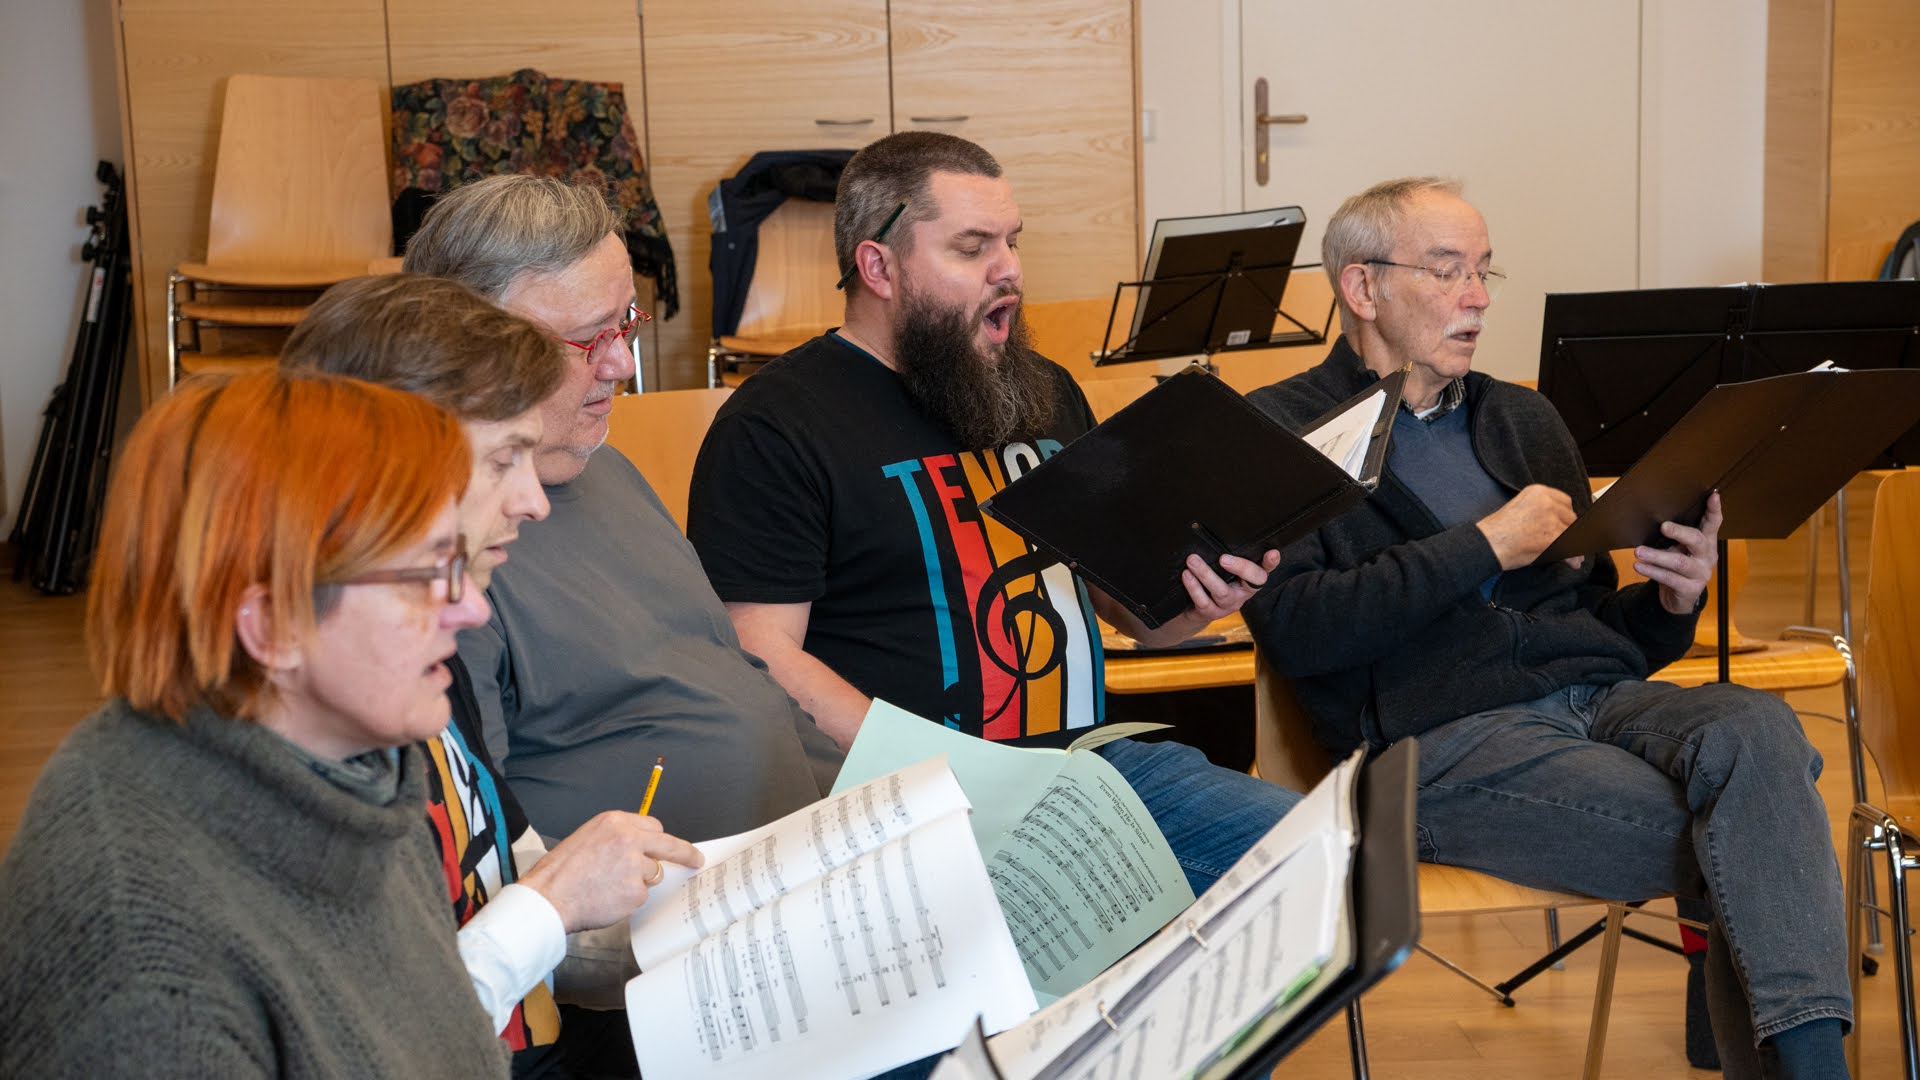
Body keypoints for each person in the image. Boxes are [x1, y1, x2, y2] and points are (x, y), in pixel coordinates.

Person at [1241, 177, 1850, 1078]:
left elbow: (1599, 624)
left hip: (1597, 700)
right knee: (1758, 825)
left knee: (1760, 729)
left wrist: (1671, 602)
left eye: (1484, 271)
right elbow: (1301, 630)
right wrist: (1485, 544)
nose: (1478, 297)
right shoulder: (1278, 431)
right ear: (1362, 288)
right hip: (1434, 741)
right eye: (1446, 271)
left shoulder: (1522, 418)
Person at [684, 131, 1300, 896]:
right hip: (919, 806)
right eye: (973, 247)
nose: (1009, 269)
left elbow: (1128, 613)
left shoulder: (1044, 389)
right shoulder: (777, 425)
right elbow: (759, 651)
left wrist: (1198, 599)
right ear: (878, 267)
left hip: (1087, 770)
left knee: (1326, 851)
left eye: (1012, 241)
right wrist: (931, 775)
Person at [0, 371, 506, 1075]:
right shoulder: (147, 988)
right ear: (274, 625)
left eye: (458, 561)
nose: (473, 609)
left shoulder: (353, 770)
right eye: (429, 574)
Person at [281, 273, 702, 1078]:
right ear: (391, 475)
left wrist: (716, 926)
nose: (535, 502)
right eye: (506, 458)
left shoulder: (432, 654)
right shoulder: (323, 728)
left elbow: (517, 901)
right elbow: (373, 1044)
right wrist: (553, 902)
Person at [397, 175, 844, 846]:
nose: (623, 365)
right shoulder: (445, 544)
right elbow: (481, 841)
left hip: (804, 847)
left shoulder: (604, 465)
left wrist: (868, 798)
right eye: (588, 340)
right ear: (470, 349)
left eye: (626, 324)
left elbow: (737, 681)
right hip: (653, 900)